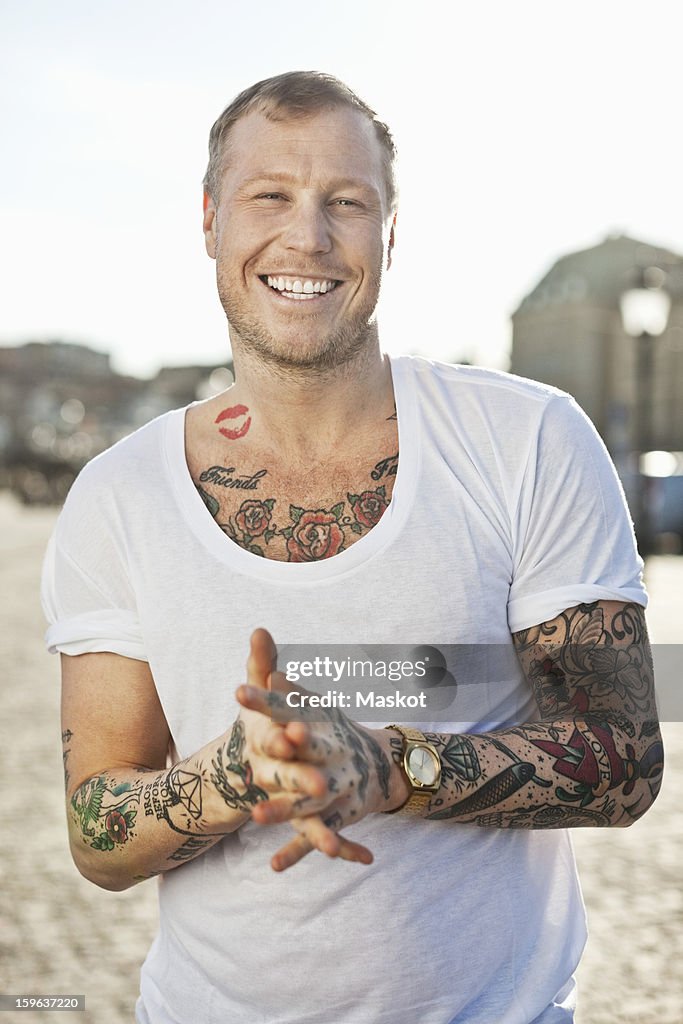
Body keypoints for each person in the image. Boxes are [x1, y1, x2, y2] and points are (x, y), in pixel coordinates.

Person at [42, 71, 663, 1024]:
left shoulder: (526, 438)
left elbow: (621, 759)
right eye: (269, 197)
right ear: (210, 219)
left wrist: (392, 766)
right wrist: (235, 775)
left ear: (389, 231)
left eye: (346, 202)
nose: (309, 238)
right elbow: (98, 835)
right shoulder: (118, 496)